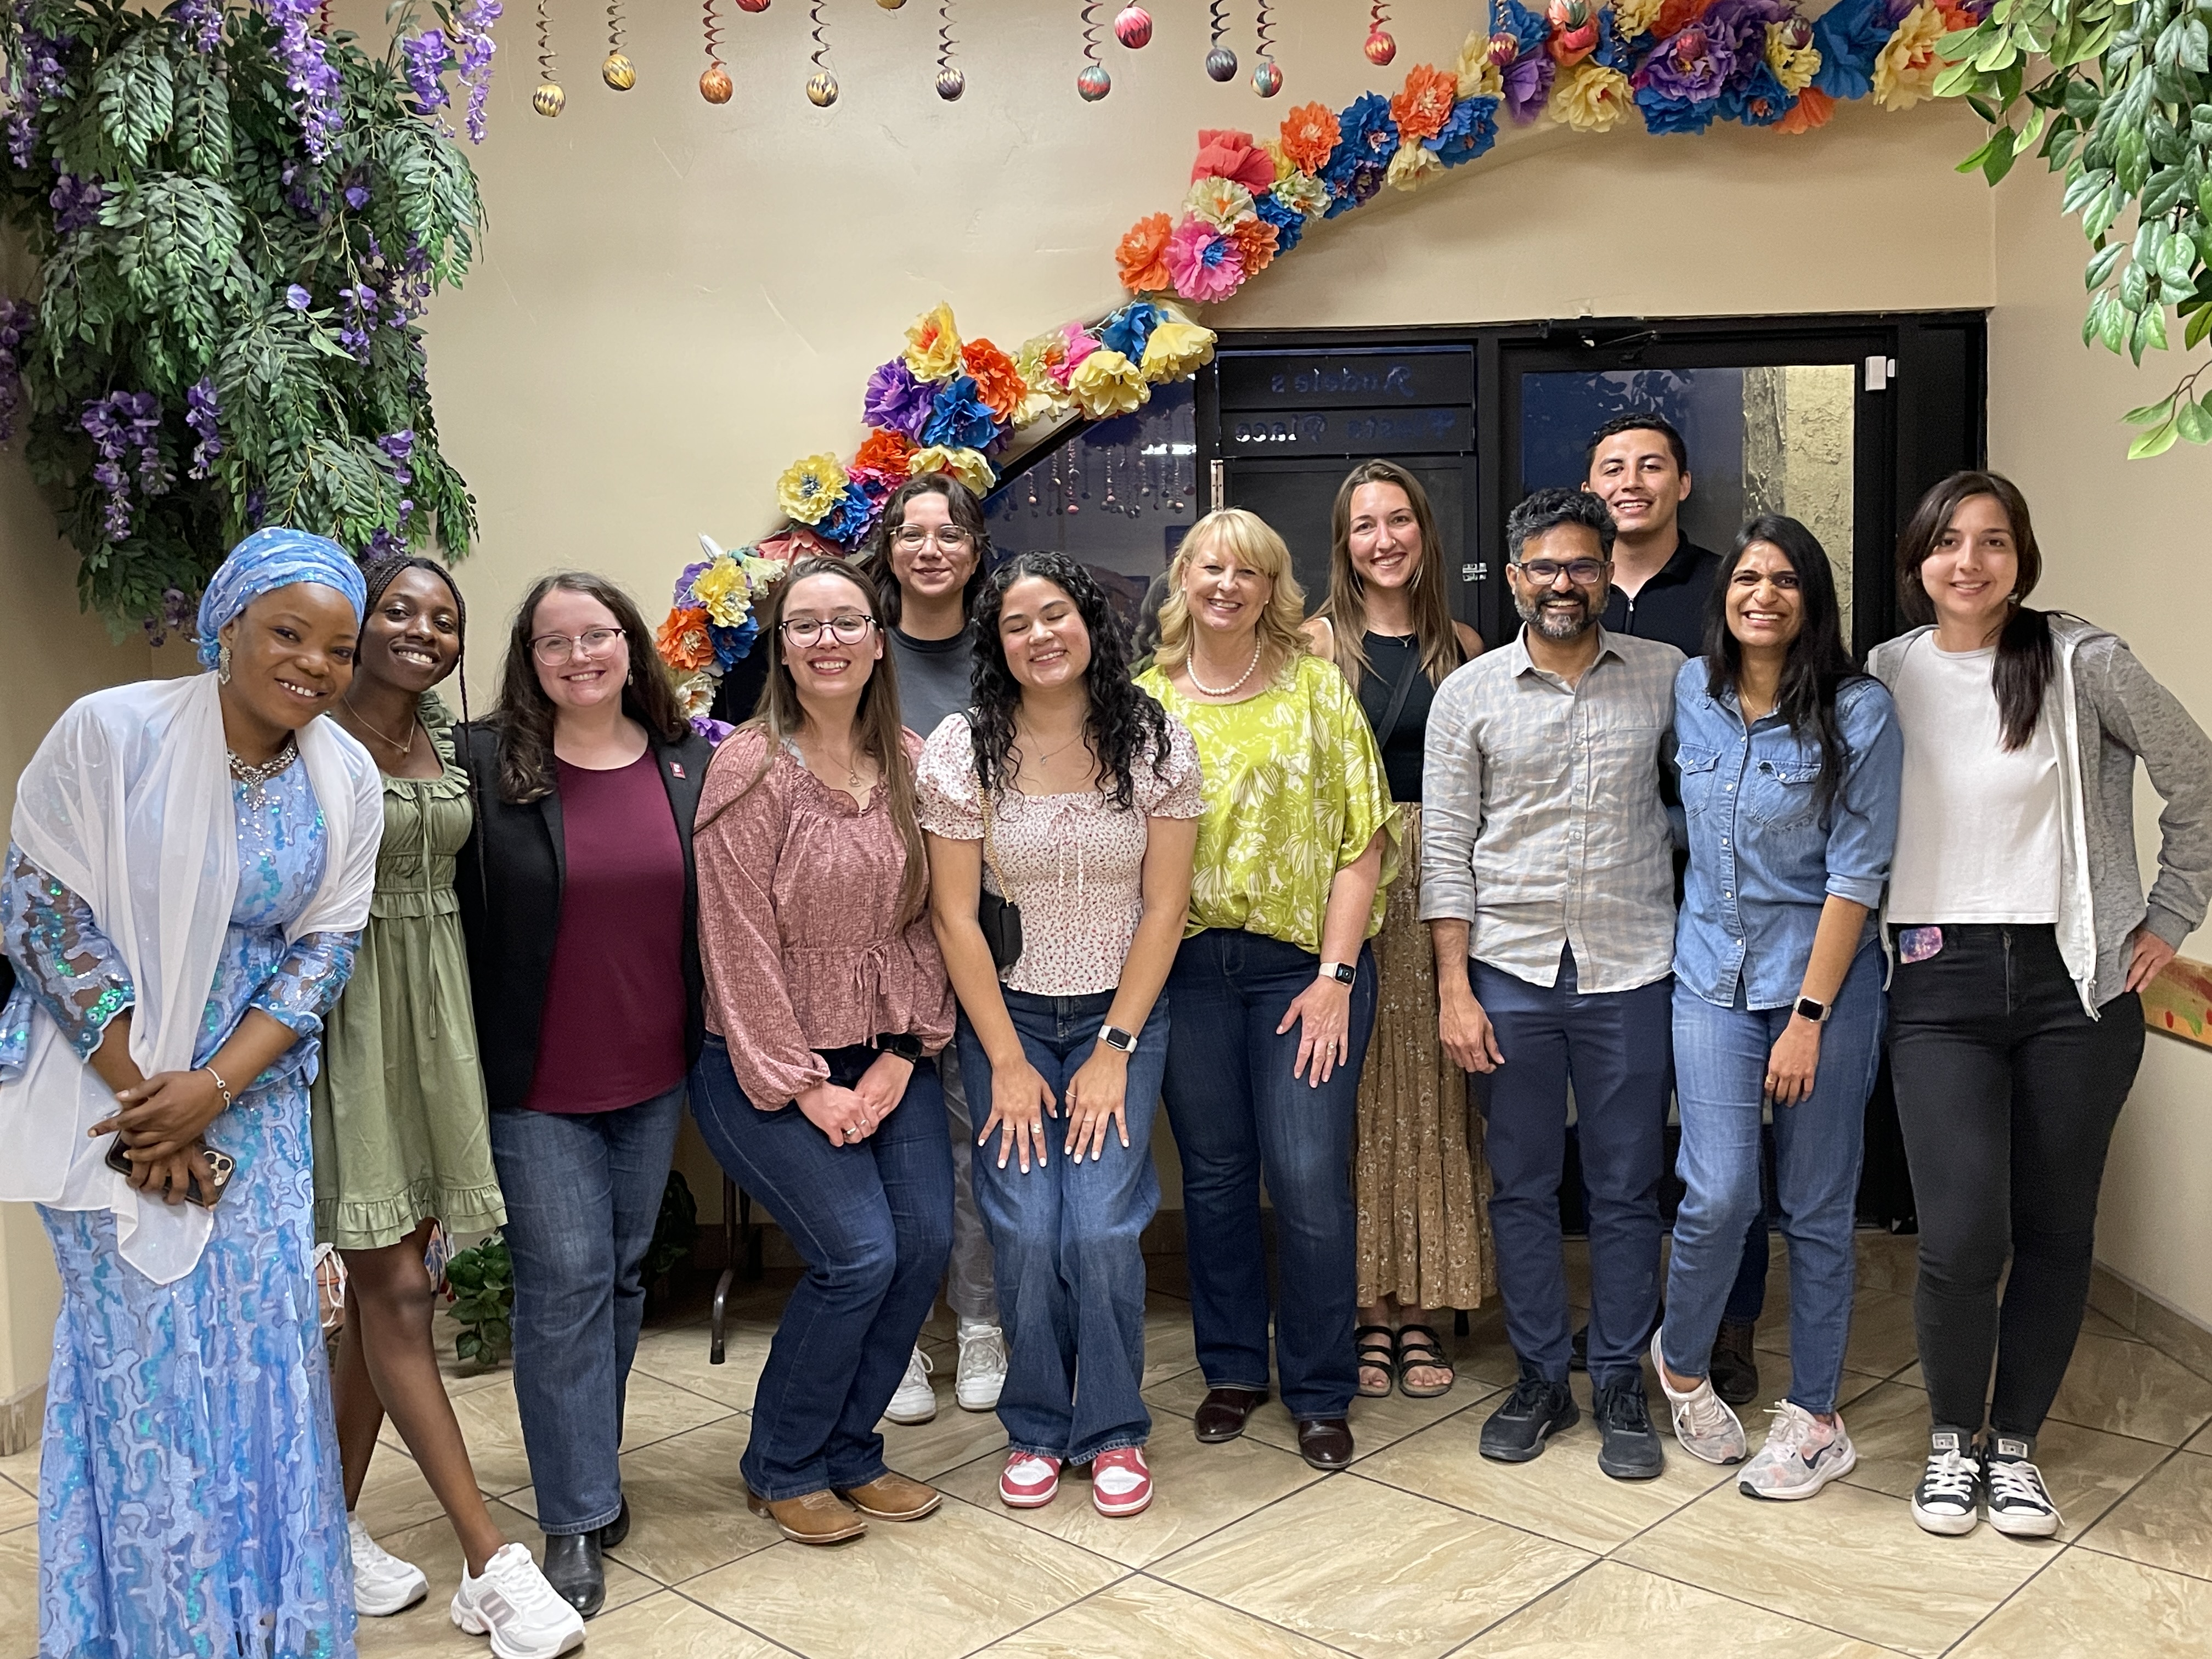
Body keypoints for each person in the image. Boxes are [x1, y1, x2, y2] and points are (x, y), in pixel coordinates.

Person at [0, 530, 381, 1658]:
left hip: (250, 1103)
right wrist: (148, 1103)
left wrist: (212, 1090)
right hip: (103, 1094)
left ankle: (270, 1633)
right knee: (150, 1379)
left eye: (338, 649)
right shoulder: (109, 734)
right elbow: (44, 912)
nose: (313, 665)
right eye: (289, 633)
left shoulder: (343, 773)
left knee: (261, 1369)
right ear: (228, 624)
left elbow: (324, 950)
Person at [1868, 473, 2212, 1539]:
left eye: (1993, 542)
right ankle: (1948, 1442)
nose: (1968, 563)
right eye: (1948, 543)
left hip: (2077, 987)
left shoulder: (2082, 662)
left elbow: (2197, 781)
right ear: (1918, 559)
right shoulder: (1883, 673)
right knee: (1963, 1230)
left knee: (2057, 1227)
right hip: (1935, 984)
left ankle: (2011, 1448)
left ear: (2023, 556)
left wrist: (2169, 915)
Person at [311, 555, 582, 1652]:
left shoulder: (451, 742)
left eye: (444, 619)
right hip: (336, 1020)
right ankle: (489, 1561)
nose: (422, 631)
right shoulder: (307, 736)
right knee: (400, 1292)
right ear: (358, 621)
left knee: (392, 1285)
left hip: (436, 1019)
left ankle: (319, 1528)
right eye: (398, 610)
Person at [921, 553, 1202, 1518]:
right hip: (1010, 1019)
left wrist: (1114, 1051)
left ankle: (1115, 1427)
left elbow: (1166, 908)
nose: (1041, 635)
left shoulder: (1155, 738)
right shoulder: (965, 749)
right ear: (996, 645)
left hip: (1121, 1016)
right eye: (1016, 623)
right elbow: (955, 918)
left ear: (1090, 621)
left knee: (1103, 1224)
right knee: (1028, 1228)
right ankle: (1039, 1424)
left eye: (1057, 615)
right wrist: (1003, 1059)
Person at [454, 572, 714, 1616]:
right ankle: (570, 1518)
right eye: (554, 643)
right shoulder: (482, 764)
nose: (579, 657)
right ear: (530, 659)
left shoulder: (687, 762)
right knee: (562, 1288)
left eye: (597, 635)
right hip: (537, 1083)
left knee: (616, 1279)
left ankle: (590, 1477)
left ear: (629, 645)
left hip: (652, 1074)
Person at [687, 557, 957, 1545]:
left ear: (879, 642)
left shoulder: (917, 763)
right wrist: (806, 1087)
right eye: (807, 625)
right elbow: (735, 943)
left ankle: (850, 1451)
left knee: (923, 1243)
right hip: (762, 1068)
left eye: (848, 621)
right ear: (782, 648)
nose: (829, 640)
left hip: (889, 1058)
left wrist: (897, 1055)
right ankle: (783, 1460)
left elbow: (935, 922)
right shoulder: (748, 766)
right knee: (859, 1254)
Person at [1423, 486, 1680, 1482]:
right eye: (1546, 567)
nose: (1565, 584)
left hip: (1633, 969)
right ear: (1517, 575)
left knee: (1626, 1188)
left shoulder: (1669, 678)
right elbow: (1447, 849)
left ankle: (1618, 1375)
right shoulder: (1470, 694)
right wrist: (1454, 988)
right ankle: (1539, 1376)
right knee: (1522, 1187)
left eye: (1584, 565)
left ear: (1608, 572)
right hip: (1509, 973)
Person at [1136, 508, 1397, 1474]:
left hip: (1305, 972)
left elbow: (1362, 844)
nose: (1228, 585)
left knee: (1306, 1181)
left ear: (1273, 588)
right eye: (1211, 567)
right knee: (1211, 1179)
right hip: (1189, 971)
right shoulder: (1141, 700)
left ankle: (1320, 1387)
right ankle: (1235, 1369)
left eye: (1250, 570)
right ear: (1184, 581)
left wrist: (1336, 977)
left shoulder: (1319, 691)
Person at [1649, 517, 1903, 1500]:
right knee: (1719, 1195)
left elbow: (1857, 874)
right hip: (1709, 978)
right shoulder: (1691, 692)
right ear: (1726, 596)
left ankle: (1815, 1418)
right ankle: (1680, 1364)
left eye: (1786, 580)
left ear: (1813, 600)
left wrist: (1807, 1015)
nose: (1764, 593)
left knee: (1819, 1208)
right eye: (1748, 577)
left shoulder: (1859, 710)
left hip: (1822, 990)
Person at [1585, 411, 1765, 1404]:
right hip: (1610, 907)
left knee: (1718, 1139)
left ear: (1683, 484)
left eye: (1651, 465)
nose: (1632, 481)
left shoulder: (1725, 588)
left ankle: (1725, 1328)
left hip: (1712, 903)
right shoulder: (1568, 589)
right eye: (1613, 466)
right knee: (1619, 1141)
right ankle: (1623, 1315)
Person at [1302, 460, 1491, 1401]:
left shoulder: (1461, 645)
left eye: (1399, 520)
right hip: (1346, 887)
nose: (1384, 539)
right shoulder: (1314, 645)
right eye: (1364, 525)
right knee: (1353, 1100)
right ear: (1344, 544)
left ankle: (1418, 1306)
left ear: (1424, 531)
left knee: (1429, 1100)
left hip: (1441, 893)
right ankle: (1362, 1308)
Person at [860, 472, 1009, 1422]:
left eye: (947, 532)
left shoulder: (1005, 655)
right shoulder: (859, 655)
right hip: (877, 936)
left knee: (980, 1140)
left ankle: (984, 1325)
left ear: (974, 549)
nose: (929, 549)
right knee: (895, 1143)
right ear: (888, 552)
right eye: (910, 533)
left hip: (990, 930)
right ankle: (905, 1335)